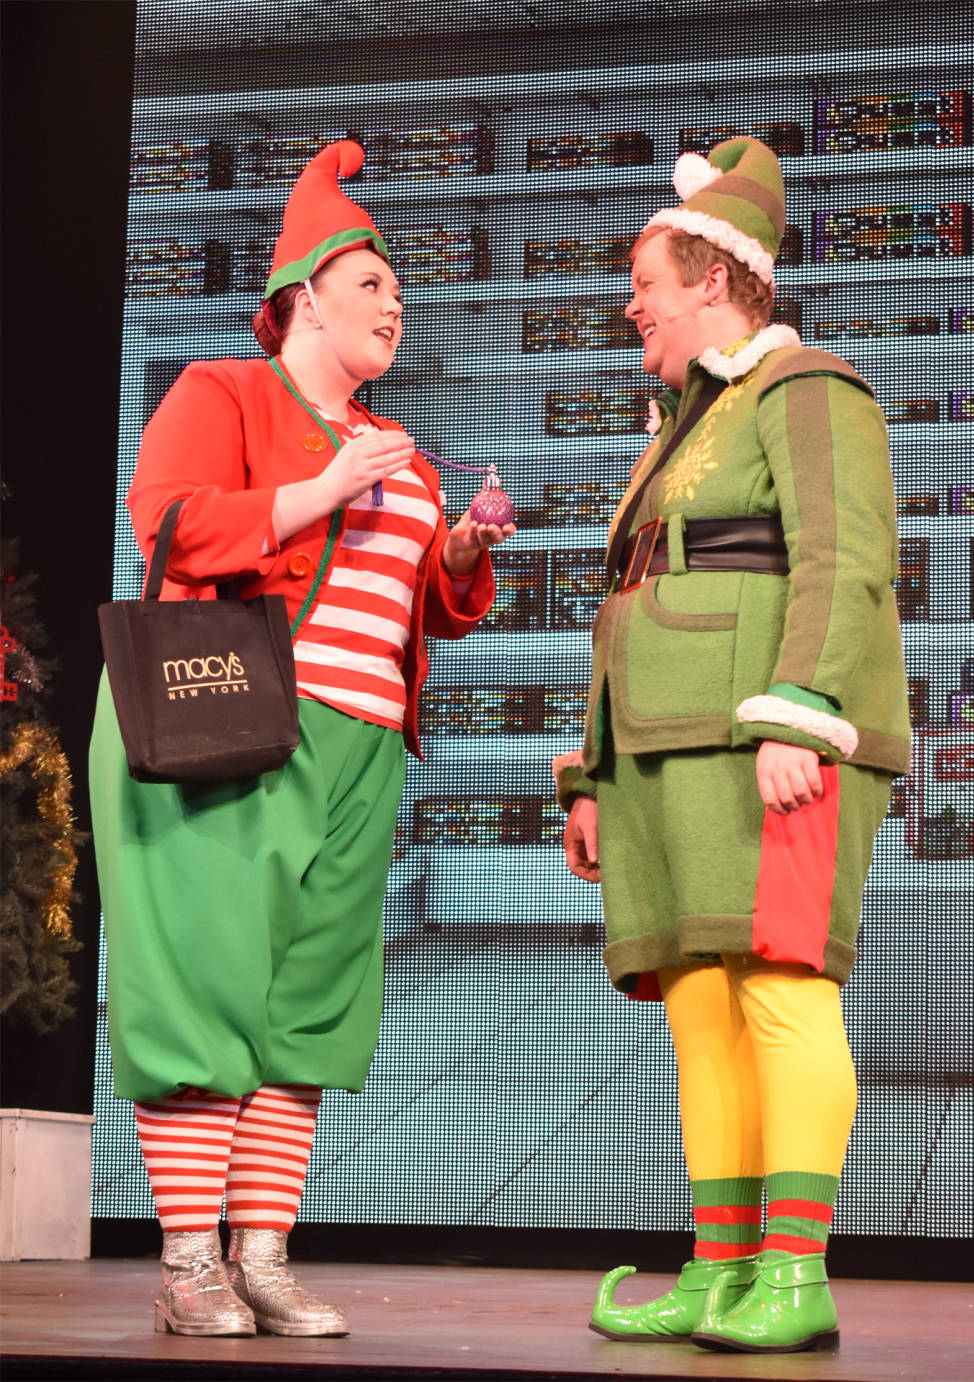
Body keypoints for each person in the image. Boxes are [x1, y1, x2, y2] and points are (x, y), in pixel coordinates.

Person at [90, 140, 514, 1338]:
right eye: (372, 284)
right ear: (306, 297)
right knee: (204, 982)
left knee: (308, 1004)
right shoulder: (224, 392)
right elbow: (171, 522)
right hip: (229, 722)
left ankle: (263, 1255)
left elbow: (414, 603)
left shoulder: (400, 445)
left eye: (398, 290)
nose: (394, 304)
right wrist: (328, 484)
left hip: (362, 744)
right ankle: (189, 1261)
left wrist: (458, 550)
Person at [555, 138, 909, 1353]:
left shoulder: (806, 386)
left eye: (643, 281)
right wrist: (591, 773)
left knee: (779, 990)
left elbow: (845, 555)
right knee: (701, 1005)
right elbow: (633, 593)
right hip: (662, 750)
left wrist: (799, 706)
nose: (630, 305)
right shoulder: (681, 424)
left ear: (712, 276)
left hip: (766, 741)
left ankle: (793, 1273)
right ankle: (719, 1271)